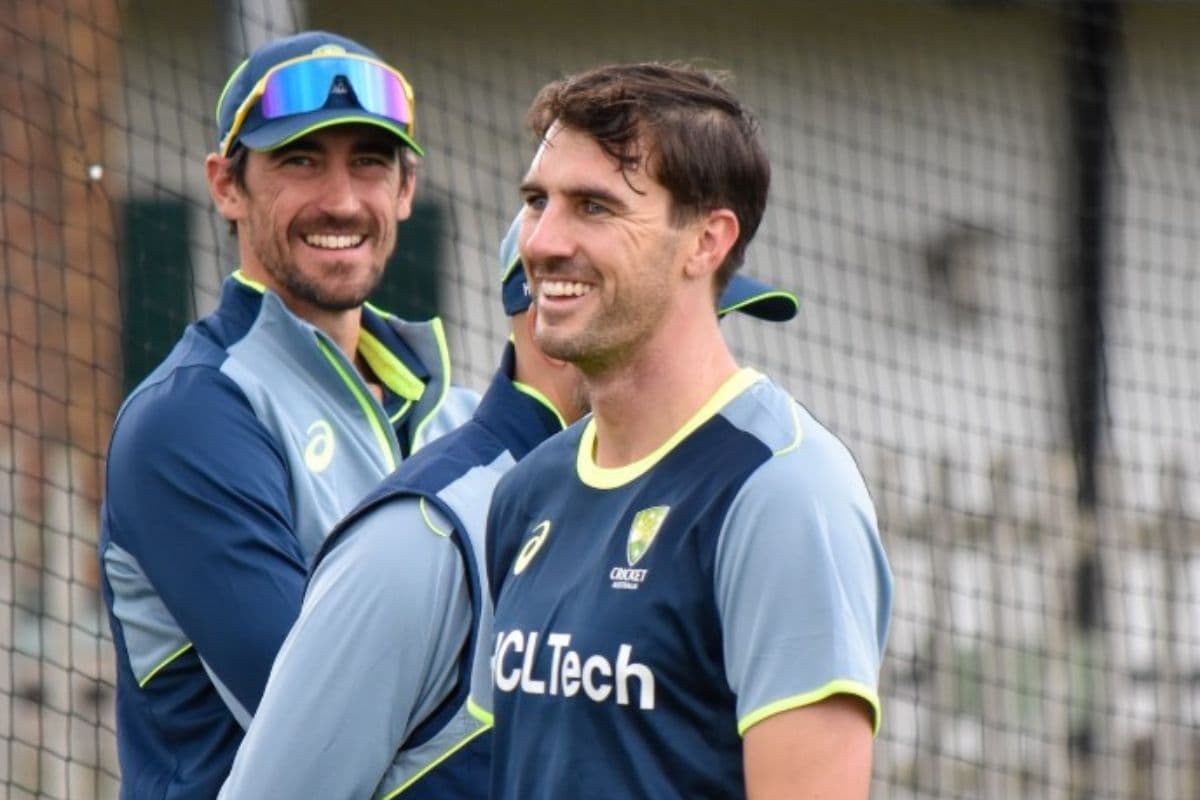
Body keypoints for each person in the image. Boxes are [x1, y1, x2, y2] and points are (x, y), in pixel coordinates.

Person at [216, 210, 796, 799]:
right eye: (686, 329)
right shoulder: (424, 536)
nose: (714, 372)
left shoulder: (690, 516)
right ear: (559, 321)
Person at [486, 62, 893, 799]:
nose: (540, 242)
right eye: (537, 201)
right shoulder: (527, 492)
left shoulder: (784, 494)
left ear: (706, 242)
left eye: (594, 208)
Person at [98, 31, 476, 799]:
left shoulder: (456, 416)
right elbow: (326, 725)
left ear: (405, 190)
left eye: (368, 162)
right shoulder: (190, 421)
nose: (340, 200)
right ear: (227, 186)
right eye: (300, 161)